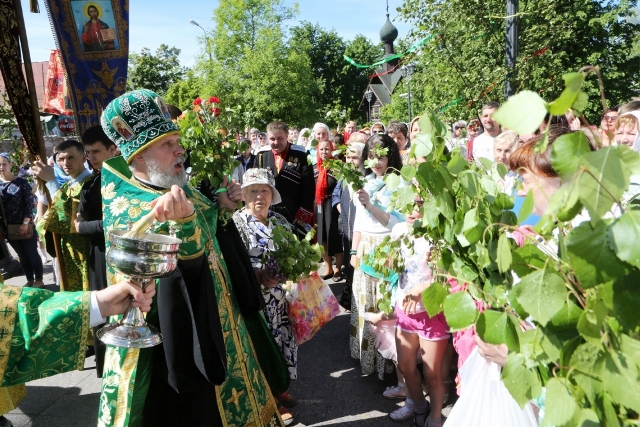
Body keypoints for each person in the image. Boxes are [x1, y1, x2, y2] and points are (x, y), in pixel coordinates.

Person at [99, 89, 284, 426]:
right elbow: (157, 270)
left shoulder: (182, 186)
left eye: (177, 139)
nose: (180, 149)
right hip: (178, 341)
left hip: (222, 319)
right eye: (167, 144)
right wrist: (182, 226)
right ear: (139, 156)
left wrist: (223, 208)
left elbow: (208, 226)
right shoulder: (128, 205)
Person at [232, 168, 298, 421]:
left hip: (281, 299)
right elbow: (234, 264)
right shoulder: (236, 224)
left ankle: (280, 387)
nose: (259, 196)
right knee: (262, 347)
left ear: (272, 195)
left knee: (283, 342)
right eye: (252, 191)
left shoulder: (280, 221)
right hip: (255, 300)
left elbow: (294, 252)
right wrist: (259, 275)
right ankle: (267, 399)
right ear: (244, 195)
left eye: (264, 190)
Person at [349, 134, 404, 379]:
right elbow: (358, 221)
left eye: (381, 155)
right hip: (365, 247)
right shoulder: (365, 182)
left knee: (385, 305)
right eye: (371, 156)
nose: (376, 162)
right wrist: (353, 250)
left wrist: (371, 205)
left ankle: (390, 365)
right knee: (366, 303)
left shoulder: (400, 185)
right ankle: (368, 358)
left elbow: (396, 224)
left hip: (387, 247)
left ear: (391, 155)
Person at [74, 125, 118, 378]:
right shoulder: (91, 185)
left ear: (112, 149)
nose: (91, 157)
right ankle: (109, 366)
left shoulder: (128, 179)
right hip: (99, 256)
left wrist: (87, 226)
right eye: (88, 152)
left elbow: (119, 222)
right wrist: (88, 227)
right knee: (104, 309)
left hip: (119, 255)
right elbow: (77, 225)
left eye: (95, 151)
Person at [33, 139, 93, 292]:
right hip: (68, 250)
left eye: (70, 157)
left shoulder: (91, 183)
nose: (65, 163)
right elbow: (51, 217)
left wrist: (52, 181)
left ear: (84, 158)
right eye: (61, 159)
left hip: (86, 251)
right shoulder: (67, 185)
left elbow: (67, 218)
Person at [257, 121, 315, 237]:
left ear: (287, 137)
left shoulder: (301, 155)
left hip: (294, 214)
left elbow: (309, 186)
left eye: (280, 138)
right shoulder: (262, 155)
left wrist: (304, 213)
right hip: (268, 212)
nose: (276, 142)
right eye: (272, 139)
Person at [0, 153, 43, 288]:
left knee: (32, 254)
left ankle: (39, 280)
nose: (1, 167)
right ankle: (30, 280)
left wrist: (25, 223)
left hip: (25, 225)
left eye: (4, 164)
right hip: (8, 228)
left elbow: (29, 204)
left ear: (10, 164)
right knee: (22, 256)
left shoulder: (21, 183)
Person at [332, 143, 365, 309]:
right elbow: (335, 194)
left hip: (361, 234)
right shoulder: (345, 175)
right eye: (348, 157)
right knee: (350, 269)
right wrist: (338, 205)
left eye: (355, 157)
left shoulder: (367, 178)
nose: (350, 161)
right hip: (348, 230)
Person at [314, 140, 343, 280]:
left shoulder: (337, 167)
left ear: (331, 150)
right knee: (322, 238)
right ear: (317, 151)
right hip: (319, 205)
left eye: (327, 149)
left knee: (335, 237)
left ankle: (338, 269)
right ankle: (328, 268)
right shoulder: (314, 168)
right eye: (321, 149)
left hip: (333, 205)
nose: (324, 152)